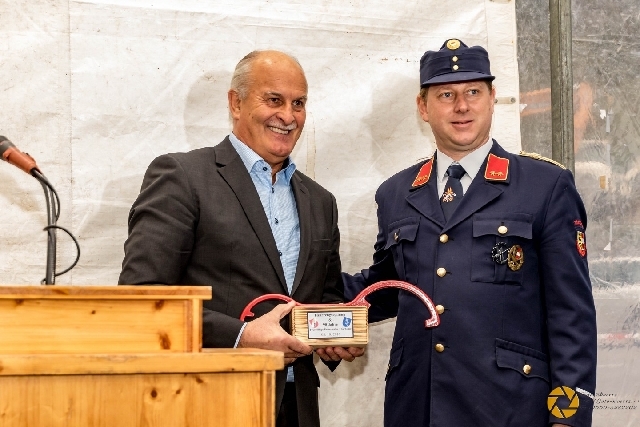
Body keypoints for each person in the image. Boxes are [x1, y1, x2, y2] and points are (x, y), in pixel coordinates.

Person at [342, 39, 597, 427]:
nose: (462, 106)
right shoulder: (395, 194)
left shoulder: (544, 186)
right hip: (417, 408)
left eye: (473, 92)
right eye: (446, 95)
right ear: (423, 107)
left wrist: (567, 419)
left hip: (508, 409)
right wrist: (311, 296)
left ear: (492, 99)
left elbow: (571, 314)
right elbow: (388, 286)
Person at [119, 50, 363, 427]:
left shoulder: (320, 201)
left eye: (298, 103)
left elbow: (324, 296)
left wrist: (334, 335)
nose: (288, 116)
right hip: (207, 401)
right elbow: (142, 299)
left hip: (296, 407)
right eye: (274, 100)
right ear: (236, 103)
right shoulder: (183, 177)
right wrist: (241, 335)